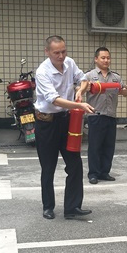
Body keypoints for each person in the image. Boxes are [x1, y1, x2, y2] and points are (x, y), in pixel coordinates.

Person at [34, 36, 95, 220]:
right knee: (48, 166)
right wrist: (79, 106)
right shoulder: (42, 72)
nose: (61, 56)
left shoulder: (69, 63)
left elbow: (83, 78)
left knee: (75, 163)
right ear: (47, 52)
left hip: (67, 121)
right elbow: (54, 99)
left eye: (63, 51)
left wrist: (80, 90)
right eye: (56, 53)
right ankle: (48, 206)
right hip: (47, 123)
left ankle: (72, 207)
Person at [76, 47, 127, 185]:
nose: (106, 60)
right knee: (95, 146)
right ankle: (93, 173)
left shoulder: (116, 77)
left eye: (108, 58)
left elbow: (124, 92)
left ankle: (104, 172)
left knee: (108, 146)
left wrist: (125, 90)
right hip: (95, 116)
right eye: (103, 58)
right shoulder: (88, 76)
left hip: (111, 115)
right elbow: (78, 89)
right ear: (96, 59)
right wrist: (84, 88)